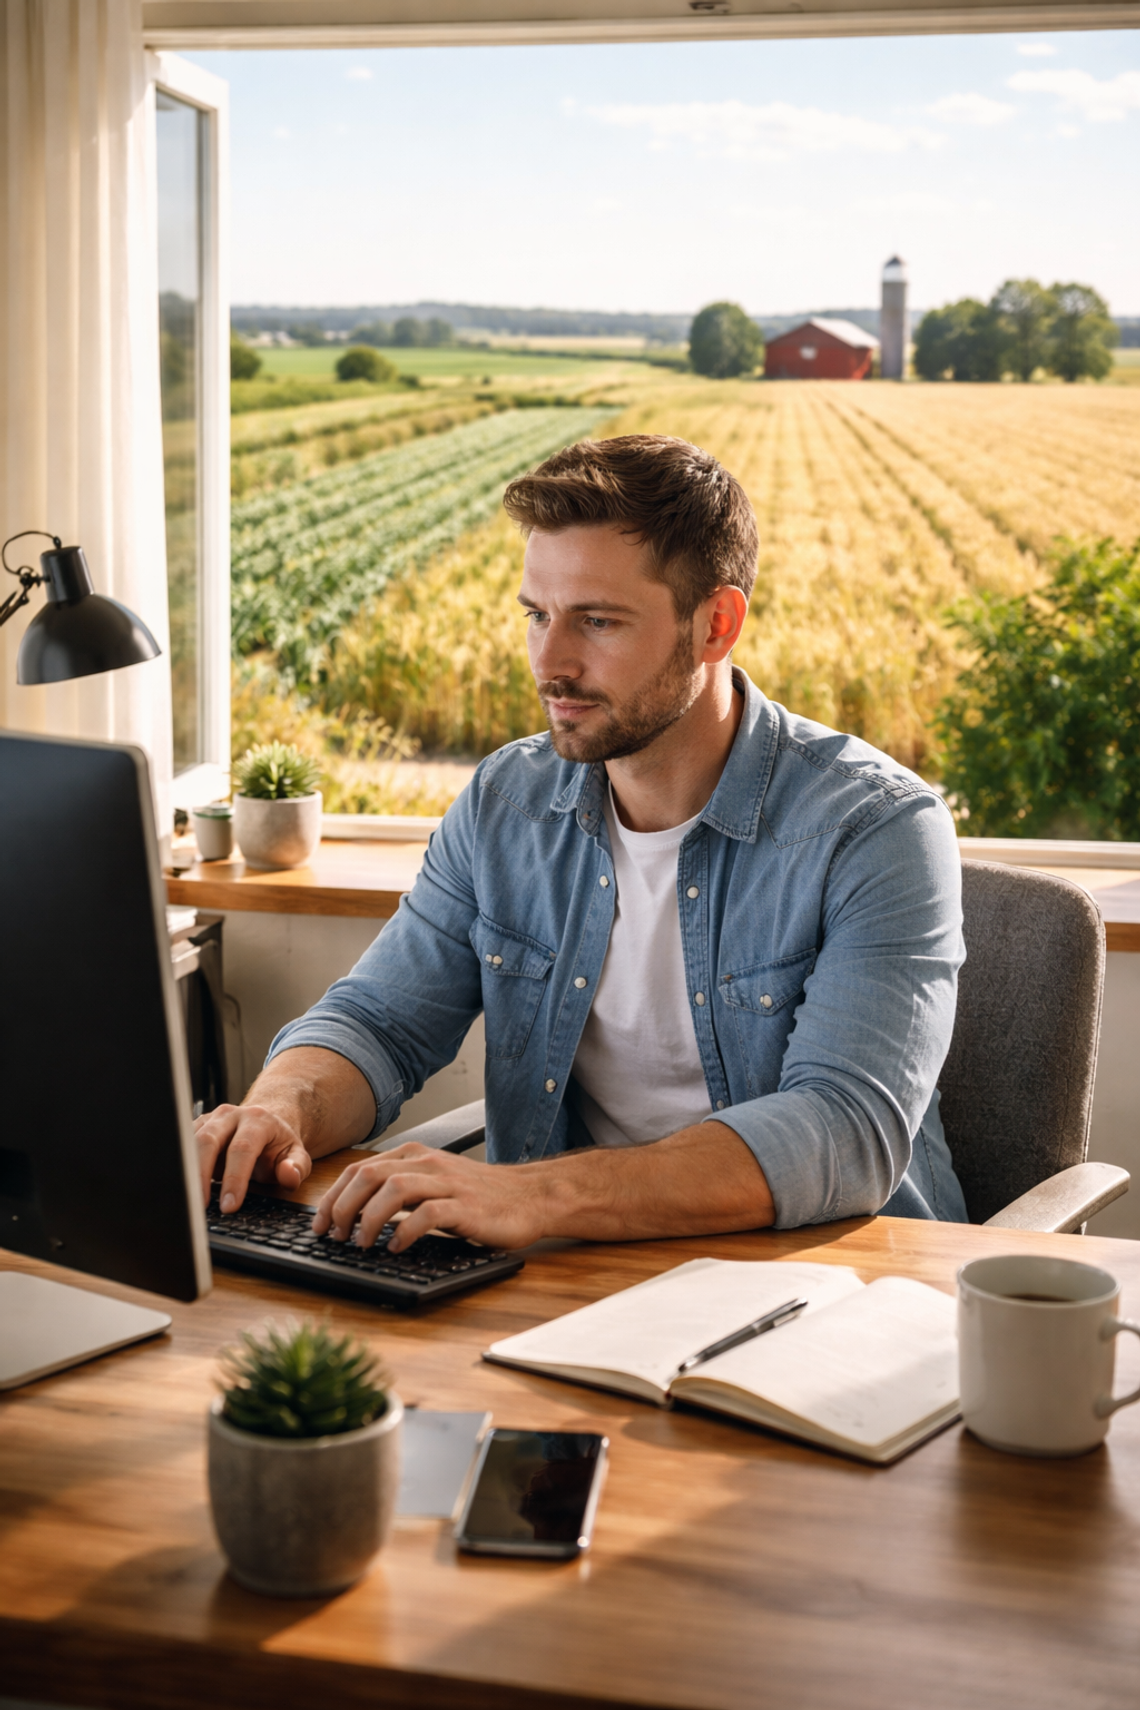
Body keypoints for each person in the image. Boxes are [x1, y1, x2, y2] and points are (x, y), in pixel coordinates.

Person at [196, 434, 968, 1255]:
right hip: (575, 1268)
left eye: (597, 622)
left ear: (716, 624)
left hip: (830, 1282)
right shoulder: (506, 801)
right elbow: (380, 1022)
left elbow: (843, 1129)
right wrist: (280, 1109)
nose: (551, 662)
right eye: (537, 616)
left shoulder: (876, 826)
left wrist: (531, 1193)